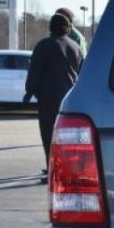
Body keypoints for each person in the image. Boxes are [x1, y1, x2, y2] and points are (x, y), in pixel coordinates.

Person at [24, 11, 84, 181]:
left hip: (48, 98)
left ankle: (53, 171)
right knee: (69, 137)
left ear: (51, 27)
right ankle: (70, 170)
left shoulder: (44, 45)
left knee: (49, 136)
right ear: (67, 28)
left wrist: (29, 91)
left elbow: (35, 71)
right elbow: (81, 72)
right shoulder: (75, 46)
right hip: (70, 99)